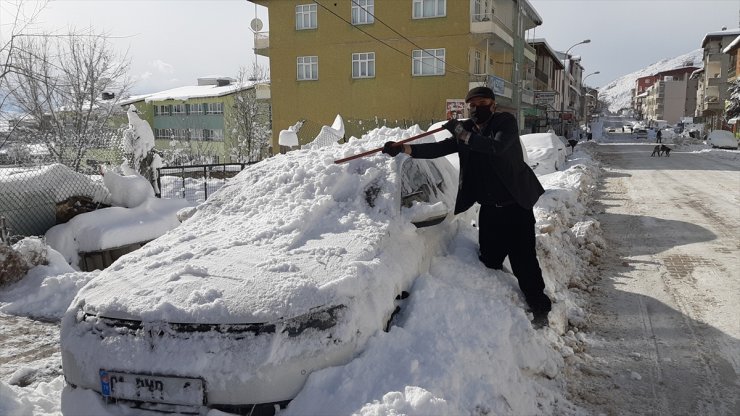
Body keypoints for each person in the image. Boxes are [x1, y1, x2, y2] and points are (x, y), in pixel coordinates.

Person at [381, 86, 552, 325]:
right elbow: (439, 149)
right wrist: (404, 149)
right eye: (471, 105)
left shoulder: (505, 123)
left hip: (516, 206)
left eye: (481, 103)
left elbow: (497, 148)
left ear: (493, 105)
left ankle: (540, 308)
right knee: (489, 258)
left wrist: (463, 134)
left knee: (523, 259)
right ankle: (498, 289)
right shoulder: (468, 130)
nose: (475, 108)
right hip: (490, 208)